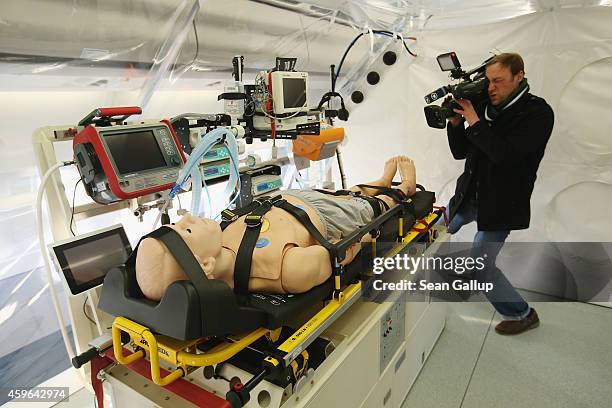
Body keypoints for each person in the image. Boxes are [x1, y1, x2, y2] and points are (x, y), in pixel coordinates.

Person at [136, 156, 416, 301]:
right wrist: (367, 236)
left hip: (288, 199)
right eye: (185, 231)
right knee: (367, 209)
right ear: (206, 265)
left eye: (177, 222)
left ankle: (380, 179)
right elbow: (340, 253)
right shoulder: (280, 272)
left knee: (346, 194)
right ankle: (402, 188)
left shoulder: (219, 235)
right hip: (324, 218)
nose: (186, 218)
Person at [445, 52, 554, 335]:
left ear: (519, 77)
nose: (491, 88)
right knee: (433, 230)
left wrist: (475, 121)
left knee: (482, 266)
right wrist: (456, 123)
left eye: (498, 81)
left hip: (503, 202)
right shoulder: (485, 104)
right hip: (470, 194)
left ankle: (523, 314)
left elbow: (506, 156)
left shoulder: (538, 113)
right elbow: (461, 152)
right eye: (488, 81)